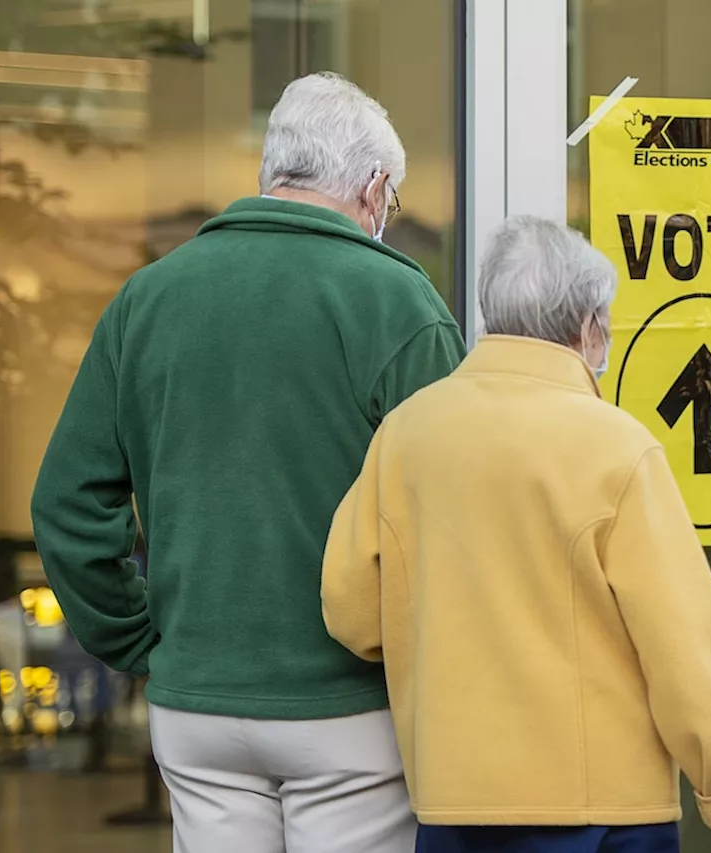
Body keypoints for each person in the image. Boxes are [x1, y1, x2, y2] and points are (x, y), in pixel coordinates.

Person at [31, 71, 465, 853]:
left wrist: (140, 640)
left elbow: (66, 502)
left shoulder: (147, 298)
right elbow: (459, 518)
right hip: (351, 707)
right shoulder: (398, 304)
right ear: (373, 190)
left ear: (273, 174)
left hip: (196, 704)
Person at [322, 215, 711, 853]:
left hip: (453, 804)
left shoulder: (405, 436)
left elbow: (351, 612)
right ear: (589, 329)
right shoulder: (616, 447)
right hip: (603, 812)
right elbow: (685, 651)